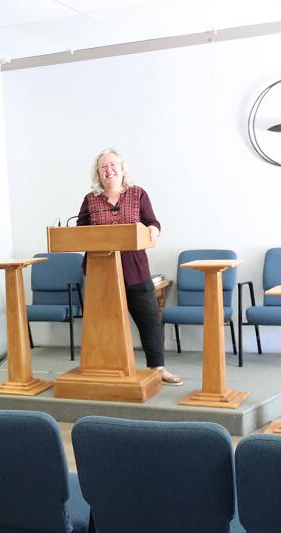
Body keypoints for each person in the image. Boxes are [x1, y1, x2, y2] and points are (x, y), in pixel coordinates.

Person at [76, 148, 181, 385]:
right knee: (103, 322)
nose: (108, 170)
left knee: (149, 318)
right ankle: (105, 369)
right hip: (100, 272)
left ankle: (158, 368)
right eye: (103, 167)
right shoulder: (90, 199)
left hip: (134, 269)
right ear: (98, 173)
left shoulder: (138, 194)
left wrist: (153, 229)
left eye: (113, 165)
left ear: (122, 169)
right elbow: (80, 231)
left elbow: (152, 222)